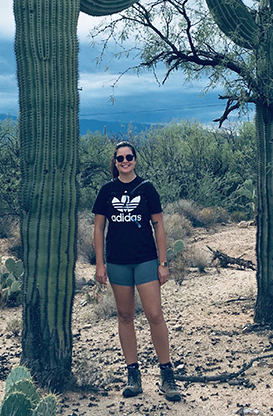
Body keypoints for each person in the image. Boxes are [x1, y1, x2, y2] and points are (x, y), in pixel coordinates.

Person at [92, 141, 181, 402]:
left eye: (129, 157)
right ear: (115, 162)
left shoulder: (147, 189)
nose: (125, 161)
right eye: (120, 158)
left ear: (135, 159)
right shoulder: (107, 191)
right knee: (125, 315)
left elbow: (159, 226)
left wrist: (163, 263)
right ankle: (133, 374)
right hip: (118, 262)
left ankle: (167, 375)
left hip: (145, 260)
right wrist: (100, 263)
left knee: (154, 314)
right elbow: (98, 228)